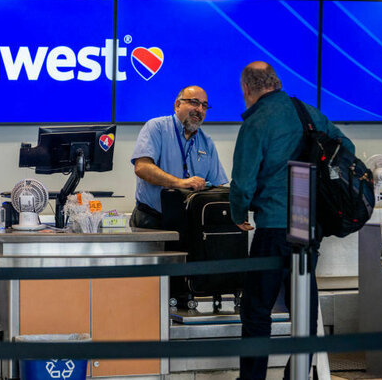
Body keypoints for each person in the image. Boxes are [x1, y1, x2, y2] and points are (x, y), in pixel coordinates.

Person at [230, 61, 354, 380]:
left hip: (272, 228)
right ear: (277, 82)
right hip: (307, 226)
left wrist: (238, 214)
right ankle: (296, 375)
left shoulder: (256, 122)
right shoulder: (307, 112)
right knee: (304, 313)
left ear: (247, 89)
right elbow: (347, 148)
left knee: (257, 311)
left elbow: (242, 183)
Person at [130, 85, 229, 229]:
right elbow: (142, 168)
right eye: (194, 102)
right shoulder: (156, 128)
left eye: (204, 106)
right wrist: (180, 183)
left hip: (190, 223)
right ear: (177, 105)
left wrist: (232, 214)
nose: (200, 110)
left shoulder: (207, 142)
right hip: (152, 220)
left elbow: (217, 186)